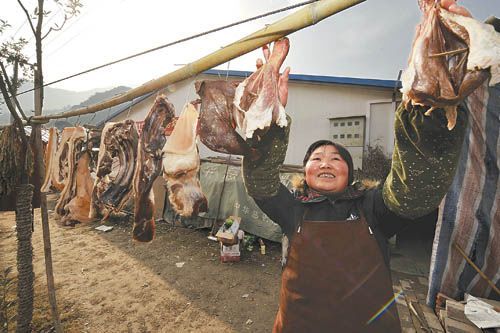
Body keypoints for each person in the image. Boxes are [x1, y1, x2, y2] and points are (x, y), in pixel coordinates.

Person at [241, 1, 476, 332]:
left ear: (350, 174)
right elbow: (261, 182)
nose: (325, 163)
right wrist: (270, 116)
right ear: (304, 172)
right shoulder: (292, 208)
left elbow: (413, 193)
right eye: (316, 158)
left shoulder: (373, 207)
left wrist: (430, 103)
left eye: (336, 158)